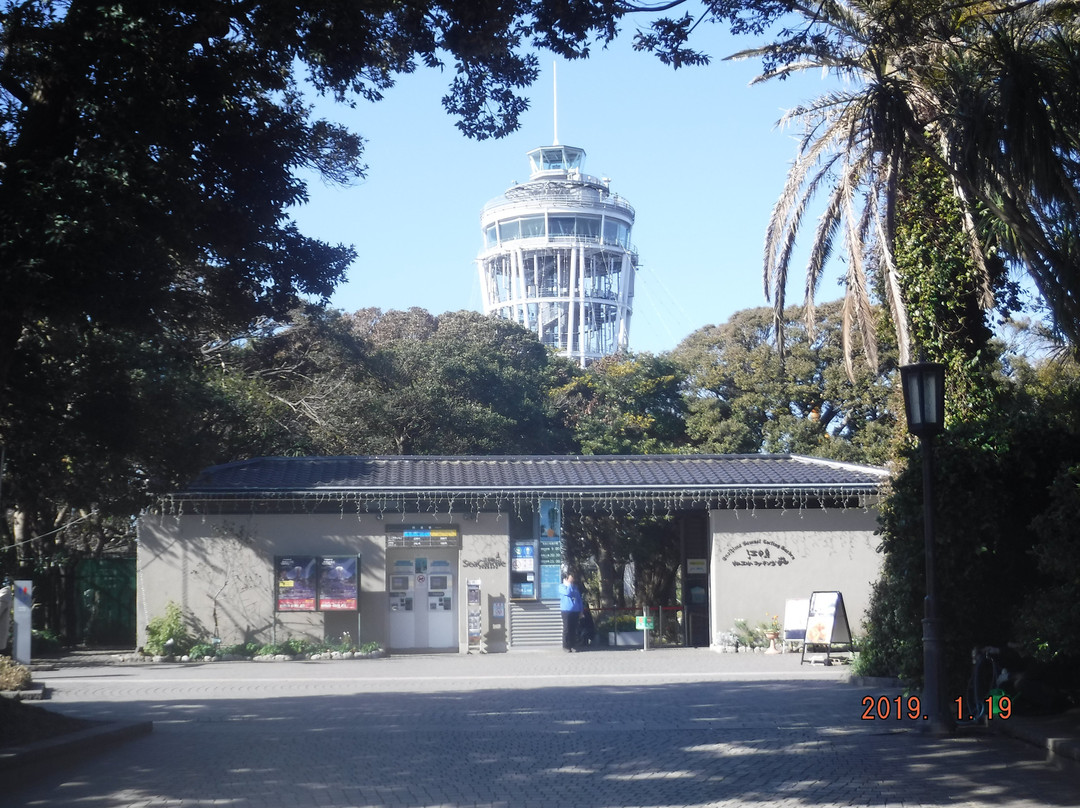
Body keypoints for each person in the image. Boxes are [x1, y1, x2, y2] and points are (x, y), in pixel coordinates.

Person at [559, 571, 583, 652]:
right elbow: (568, 593)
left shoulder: (575, 587)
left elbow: (579, 599)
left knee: (574, 629)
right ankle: (566, 646)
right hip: (566, 610)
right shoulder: (561, 587)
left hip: (575, 611)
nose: (572, 579)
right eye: (570, 578)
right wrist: (568, 584)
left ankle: (573, 645)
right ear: (566, 578)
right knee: (567, 628)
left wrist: (581, 611)